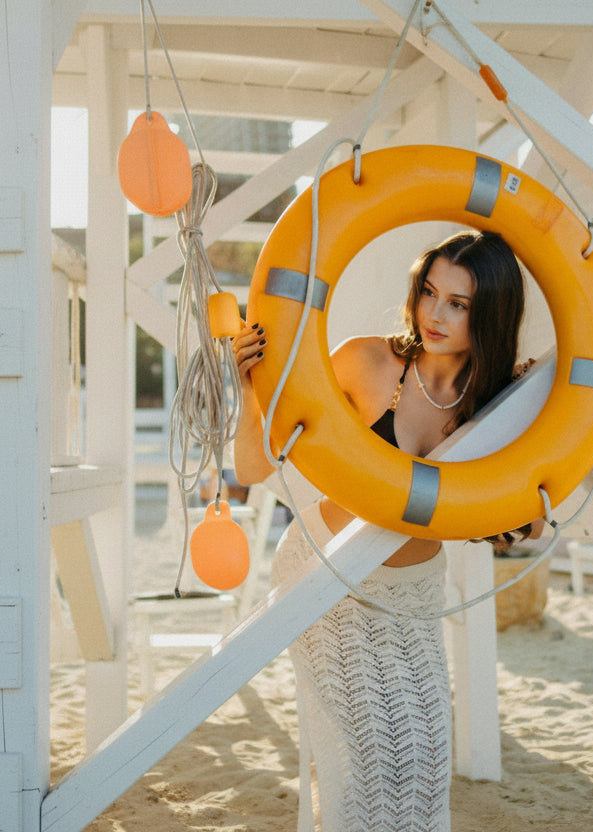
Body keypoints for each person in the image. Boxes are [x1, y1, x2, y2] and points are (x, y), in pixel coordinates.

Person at [231, 230, 534, 832]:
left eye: (459, 304)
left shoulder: (497, 403)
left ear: (492, 315)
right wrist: (250, 390)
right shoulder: (368, 363)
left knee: (424, 763)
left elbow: (519, 529)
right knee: (365, 760)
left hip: (414, 595)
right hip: (326, 580)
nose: (435, 314)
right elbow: (252, 467)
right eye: (429, 292)